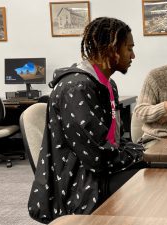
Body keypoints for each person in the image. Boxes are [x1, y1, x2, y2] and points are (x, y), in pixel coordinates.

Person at [27, 17, 146, 224]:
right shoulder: (76, 88)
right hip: (81, 185)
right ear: (111, 49)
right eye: (129, 48)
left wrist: (139, 151)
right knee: (152, 181)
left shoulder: (107, 85)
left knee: (160, 171)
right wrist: (139, 154)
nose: (133, 55)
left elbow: (114, 140)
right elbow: (97, 158)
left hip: (100, 173)